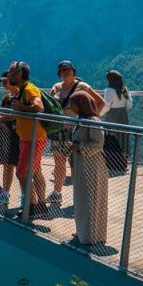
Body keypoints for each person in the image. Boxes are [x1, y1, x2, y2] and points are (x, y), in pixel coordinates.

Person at [47, 61, 105, 205]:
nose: (66, 72)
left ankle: (77, 196)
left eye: (68, 70)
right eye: (63, 70)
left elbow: (100, 102)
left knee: (76, 165)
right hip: (59, 131)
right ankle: (57, 193)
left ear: (74, 72)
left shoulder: (83, 87)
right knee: (59, 163)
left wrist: (91, 121)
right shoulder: (55, 88)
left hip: (78, 132)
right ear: (59, 73)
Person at [68, 91, 108, 245]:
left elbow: (98, 143)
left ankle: (92, 235)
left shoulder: (93, 121)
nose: (70, 106)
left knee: (91, 198)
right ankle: (83, 231)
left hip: (92, 164)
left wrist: (78, 146)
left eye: (73, 102)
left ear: (81, 104)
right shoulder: (81, 120)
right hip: (82, 163)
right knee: (81, 197)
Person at [8, 61, 48, 217]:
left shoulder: (30, 89)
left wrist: (20, 108)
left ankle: (31, 206)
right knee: (36, 171)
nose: (9, 75)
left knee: (22, 173)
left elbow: (39, 107)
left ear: (19, 74)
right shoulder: (21, 90)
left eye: (11, 72)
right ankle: (41, 206)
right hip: (28, 138)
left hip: (33, 139)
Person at [0, 72, 21, 209]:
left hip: (19, 135)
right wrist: (4, 121)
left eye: (5, 81)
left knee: (21, 167)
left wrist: (3, 119)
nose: (3, 84)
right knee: (8, 165)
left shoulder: (21, 96)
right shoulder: (6, 98)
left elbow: (17, 115)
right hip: (6, 134)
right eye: (2, 82)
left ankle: (25, 197)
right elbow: (1, 113)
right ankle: (5, 193)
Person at [101, 70, 133, 173]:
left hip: (112, 115)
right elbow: (130, 105)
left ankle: (114, 161)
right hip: (123, 115)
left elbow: (107, 105)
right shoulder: (125, 89)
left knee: (112, 137)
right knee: (123, 137)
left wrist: (99, 114)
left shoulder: (109, 90)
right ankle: (125, 161)